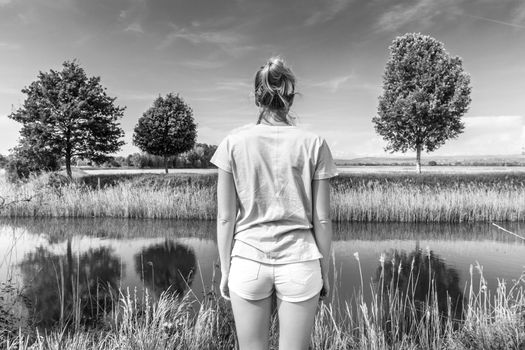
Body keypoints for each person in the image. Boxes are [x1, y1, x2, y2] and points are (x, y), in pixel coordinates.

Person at [210, 56, 339, 350]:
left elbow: (225, 218)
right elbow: (322, 219)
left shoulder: (233, 142)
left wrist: (227, 270)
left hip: (247, 259)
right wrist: (325, 270)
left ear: (258, 98)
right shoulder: (315, 142)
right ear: (290, 99)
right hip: (300, 261)